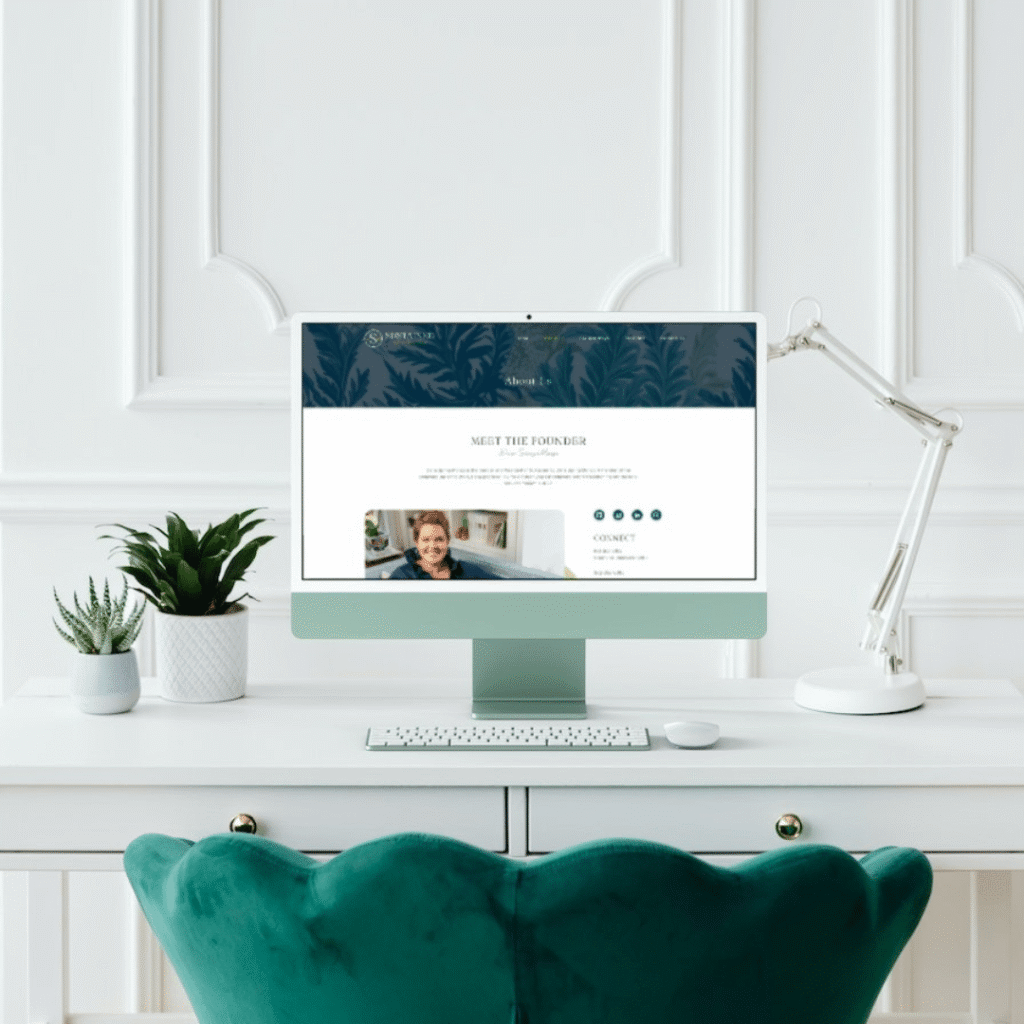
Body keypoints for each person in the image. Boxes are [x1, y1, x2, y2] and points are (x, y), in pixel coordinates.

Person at [388, 510, 501, 580]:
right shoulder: (401, 576)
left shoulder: (465, 570)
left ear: (447, 541)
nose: (432, 546)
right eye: (426, 540)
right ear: (417, 543)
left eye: (439, 539)